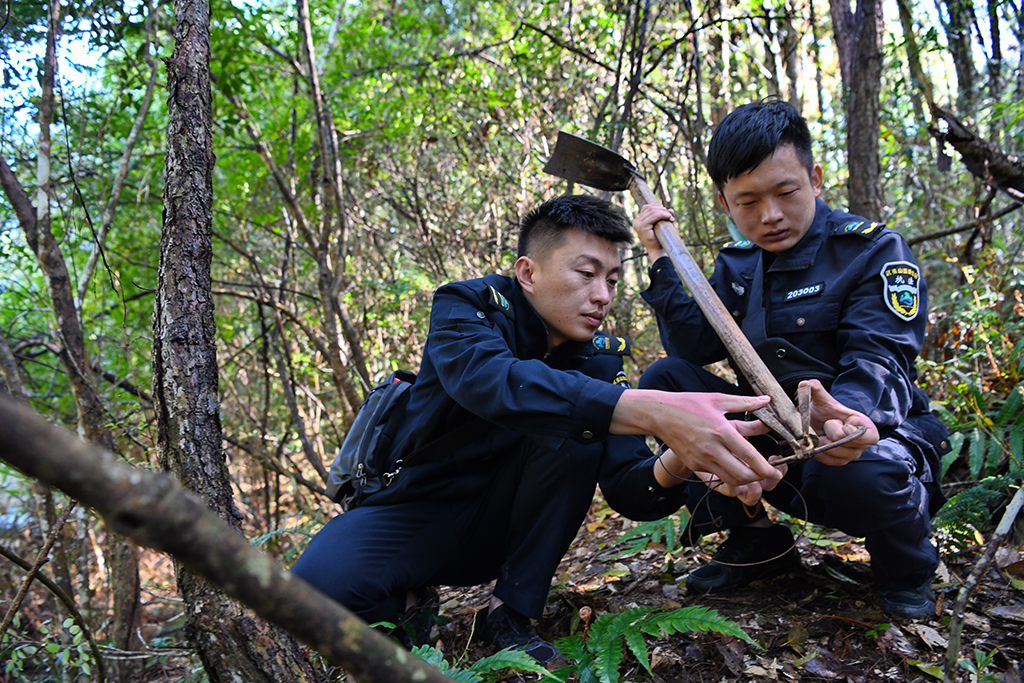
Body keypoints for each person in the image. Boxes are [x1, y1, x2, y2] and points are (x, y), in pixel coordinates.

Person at [291, 193, 868, 665]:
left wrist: (683, 459)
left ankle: (511, 614)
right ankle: (410, 602)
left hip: (504, 534)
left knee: (573, 425)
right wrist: (653, 410)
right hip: (415, 512)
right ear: (528, 272)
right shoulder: (466, 307)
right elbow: (492, 383)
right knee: (313, 589)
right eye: (586, 273)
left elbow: (629, 492)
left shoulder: (598, 359)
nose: (602, 296)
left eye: (614, 280)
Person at [632, 100, 950, 619]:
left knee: (858, 471)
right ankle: (756, 541)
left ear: (816, 179)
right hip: (777, 444)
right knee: (669, 383)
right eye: (748, 201)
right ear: (725, 203)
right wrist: (660, 261)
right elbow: (694, 347)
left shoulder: (872, 251)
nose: (770, 215)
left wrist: (844, 419)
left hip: (868, 439)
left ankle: (907, 569)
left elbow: (881, 358)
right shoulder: (738, 266)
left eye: (786, 192)